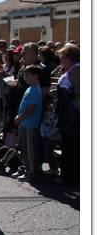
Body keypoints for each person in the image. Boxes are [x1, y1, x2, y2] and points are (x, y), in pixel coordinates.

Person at [55, 43, 79, 185]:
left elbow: (79, 90)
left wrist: (63, 92)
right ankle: (69, 175)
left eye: (63, 56)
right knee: (68, 144)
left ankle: (69, 176)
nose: (61, 59)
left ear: (70, 57)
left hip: (73, 112)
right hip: (68, 110)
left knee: (70, 144)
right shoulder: (71, 69)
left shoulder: (76, 69)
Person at [14, 65, 43, 182]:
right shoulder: (29, 88)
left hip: (31, 123)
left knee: (30, 149)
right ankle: (27, 169)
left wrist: (20, 117)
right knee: (24, 147)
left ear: (35, 76)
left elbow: (32, 107)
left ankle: (32, 171)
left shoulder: (36, 89)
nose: (25, 77)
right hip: (25, 123)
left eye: (27, 75)